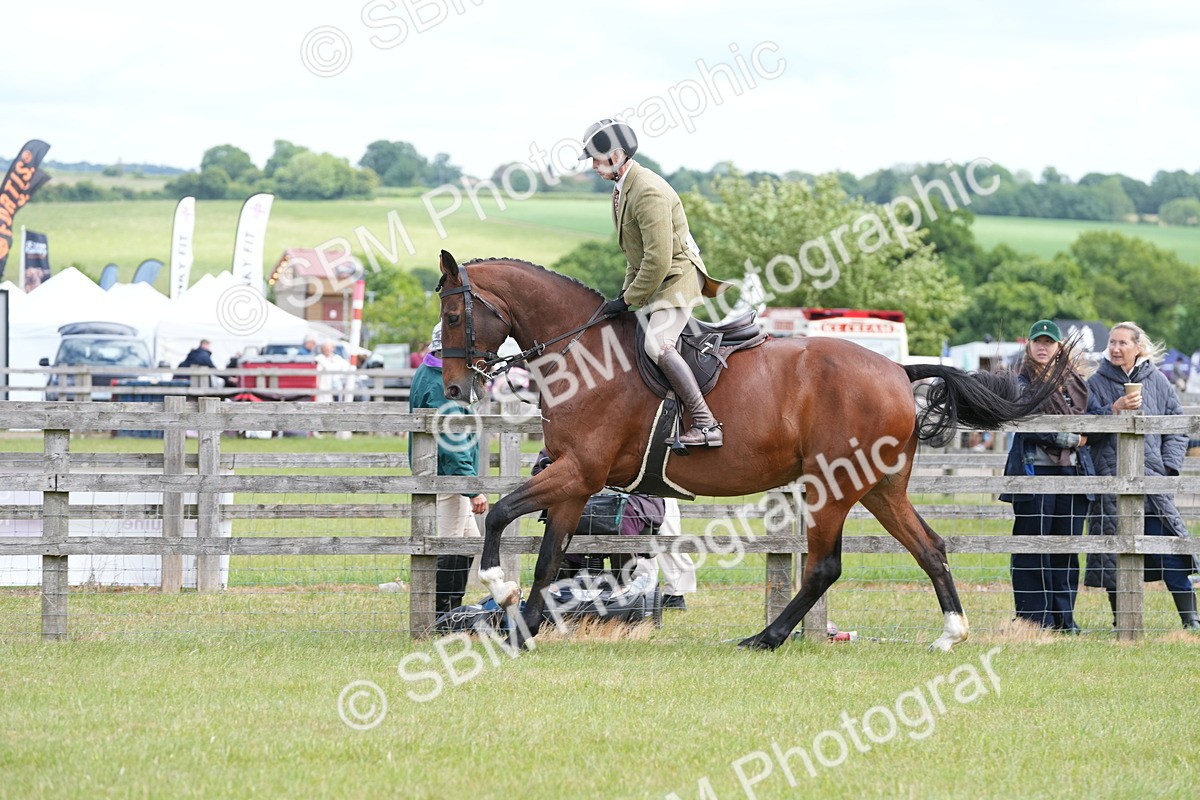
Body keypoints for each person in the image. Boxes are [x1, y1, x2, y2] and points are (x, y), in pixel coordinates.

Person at [581, 118, 729, 448]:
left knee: (657, 344)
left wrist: (631, 297)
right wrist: (623, 295)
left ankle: (706, 424)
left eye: (596, 158)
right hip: (656, 280)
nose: (592, 166)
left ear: (616, 156)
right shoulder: (622, 189)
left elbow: (659, 259)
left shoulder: (647, 190)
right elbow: (637, 255)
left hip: (676, 279)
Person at [1084, 321, 1200, 630]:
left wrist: (1168, 468)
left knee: (1170, 550)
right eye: (1112, 343)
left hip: (1153, 486)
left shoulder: (1159, 382)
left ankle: (1191, 621)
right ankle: (1122, 621)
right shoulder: (1095, 383)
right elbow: (1085, 430)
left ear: (1138, 348)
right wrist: (1115, 409)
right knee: (1115, 558)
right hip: (1112, 486)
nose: (1116, 348)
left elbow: (1178, 426)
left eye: (1123, 343)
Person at [999, 320, 1093, 633]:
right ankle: (1033, 621)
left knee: (1065, 548)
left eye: (1049, 342)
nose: (1043, 347)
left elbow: (1092, 417)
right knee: (1031, 547)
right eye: (1037, 341)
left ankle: (1065, 620)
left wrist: (1112, 412)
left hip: (1073, 473)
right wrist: (1073, 439)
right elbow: (1031, 422)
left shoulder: (1075, 382)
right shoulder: (1021, 380)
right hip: (1033, 472)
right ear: (1029, 345)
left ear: (1058, 347)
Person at [409, 322, 489, 613]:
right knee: (450, 545)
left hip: (443, 475)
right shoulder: (443, 385)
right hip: (449, 478)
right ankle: (440, 614)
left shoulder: (429, 373)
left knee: (468, 543)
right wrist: (472, 489)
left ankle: (451, 607)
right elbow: (454, 446)